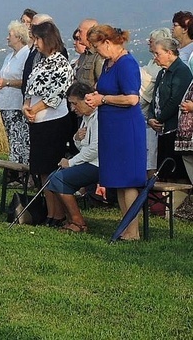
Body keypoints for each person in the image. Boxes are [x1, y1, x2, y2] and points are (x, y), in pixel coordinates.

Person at [85, 25, 146, 241]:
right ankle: (125, 228)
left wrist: (103, 100)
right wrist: (97, 96)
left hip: (126, 128)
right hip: (111, 128)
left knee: (128, 180)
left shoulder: (126, 64)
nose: (95, 51)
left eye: (96, 46)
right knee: (119, 181)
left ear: (108, 43)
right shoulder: (108, 64)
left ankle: (133, 232)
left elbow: (132, 99)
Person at [22, 21, 73, 227]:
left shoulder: (61, 63)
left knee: (52, 168)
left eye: (38, 39)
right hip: (37, 122)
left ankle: (59, 213)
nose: (36, 44)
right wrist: (26, 106)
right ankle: (50, 212)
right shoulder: (41, 62)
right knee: (42, 169)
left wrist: (35, 109)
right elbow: (30, 86)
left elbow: (58, 93)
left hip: (54, 121)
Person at [46, 82, 99, 233]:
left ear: (86, 100)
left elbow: (95, 149)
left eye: (75, 104)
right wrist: (77, 138)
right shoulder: (86, 118)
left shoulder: (99, 117)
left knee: (59, 179)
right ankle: (66, 218)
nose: (72, 108)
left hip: (99, 164)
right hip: (90, 161)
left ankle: (78, 222)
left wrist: (70, 162)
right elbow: (84, 147)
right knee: (52, 177)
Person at [147, 37, 192, 182]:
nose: (155, 58)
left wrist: (159, 118)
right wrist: (151, 118)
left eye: (157, 54)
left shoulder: (181, 71)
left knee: (177, 172)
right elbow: (155, 98)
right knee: (165, 170)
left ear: (170, 53)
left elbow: (176, 100)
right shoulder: (162, 73)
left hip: (174, 128)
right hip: (162, 130)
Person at [0, 21, 30, 169]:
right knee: (12, 137)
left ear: (19, 37)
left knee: (19, 139)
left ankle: (21, 170)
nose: (7, 38)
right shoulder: (9, 57)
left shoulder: (26, 55)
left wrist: (7, 82)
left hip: (17, 103)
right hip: (5, 103)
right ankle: (14, 169)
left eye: (10, 35)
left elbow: (26, 80)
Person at [141, 28, 172, 176]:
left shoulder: (160, 68)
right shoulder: (153, 64)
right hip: (149, 116)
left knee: (152, 157)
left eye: (151, 42)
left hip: (155, 118)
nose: (148, 44)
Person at [74, 19, 103, 87]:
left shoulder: (98, 56)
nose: (77, 34)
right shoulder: (83, 55)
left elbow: (101, 82)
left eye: (80, 31)